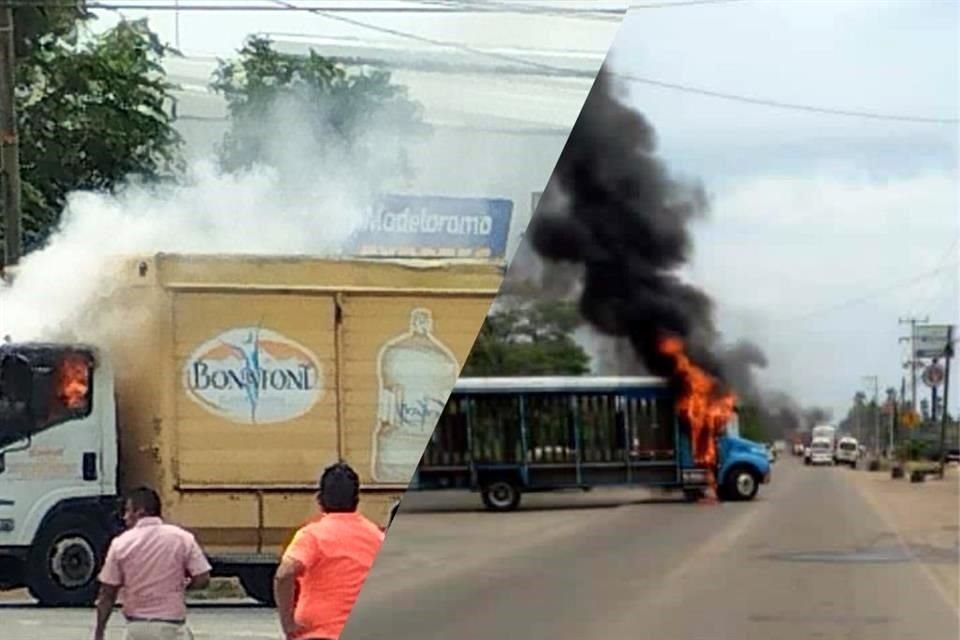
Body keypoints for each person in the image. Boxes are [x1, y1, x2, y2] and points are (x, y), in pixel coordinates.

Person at [274, 462, 385, 640]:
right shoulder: (377, 537)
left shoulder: (312, 536)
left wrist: (288, 624)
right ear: (356, 499)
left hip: (317, 634)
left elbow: (284, 574)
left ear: (320, 499)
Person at [93, 487, 212, 640]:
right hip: (172, 628)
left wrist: (99, 632)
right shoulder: (182, 538)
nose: (124, 517)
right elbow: (203, 578)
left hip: (137, 629)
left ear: (140, 512)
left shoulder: (120, 544)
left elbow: (107, 594)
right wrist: (182, 586)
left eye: (127, 511)